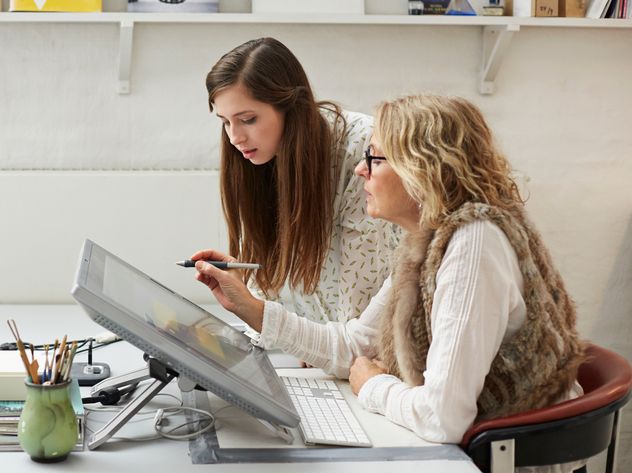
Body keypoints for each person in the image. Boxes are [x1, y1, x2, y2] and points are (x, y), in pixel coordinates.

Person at [192, 94, 586, 456]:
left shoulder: (473, 244)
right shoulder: (427, 240)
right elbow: (356, 345)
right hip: (477, 441)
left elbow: (443, 417)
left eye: (376, 159)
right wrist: (249, 307)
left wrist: (375, 387)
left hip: (514, 453)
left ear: (425, 169)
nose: (361, 171)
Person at [194, 37, 399, 325]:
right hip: (331, 345)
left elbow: (362, 300)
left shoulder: (363, 150)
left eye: (248, 119)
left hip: (376, 345)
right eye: (225, 121)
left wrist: (316, 344)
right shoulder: (260, 155)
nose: (234, 137)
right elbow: (279, 282)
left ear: (289, 106)